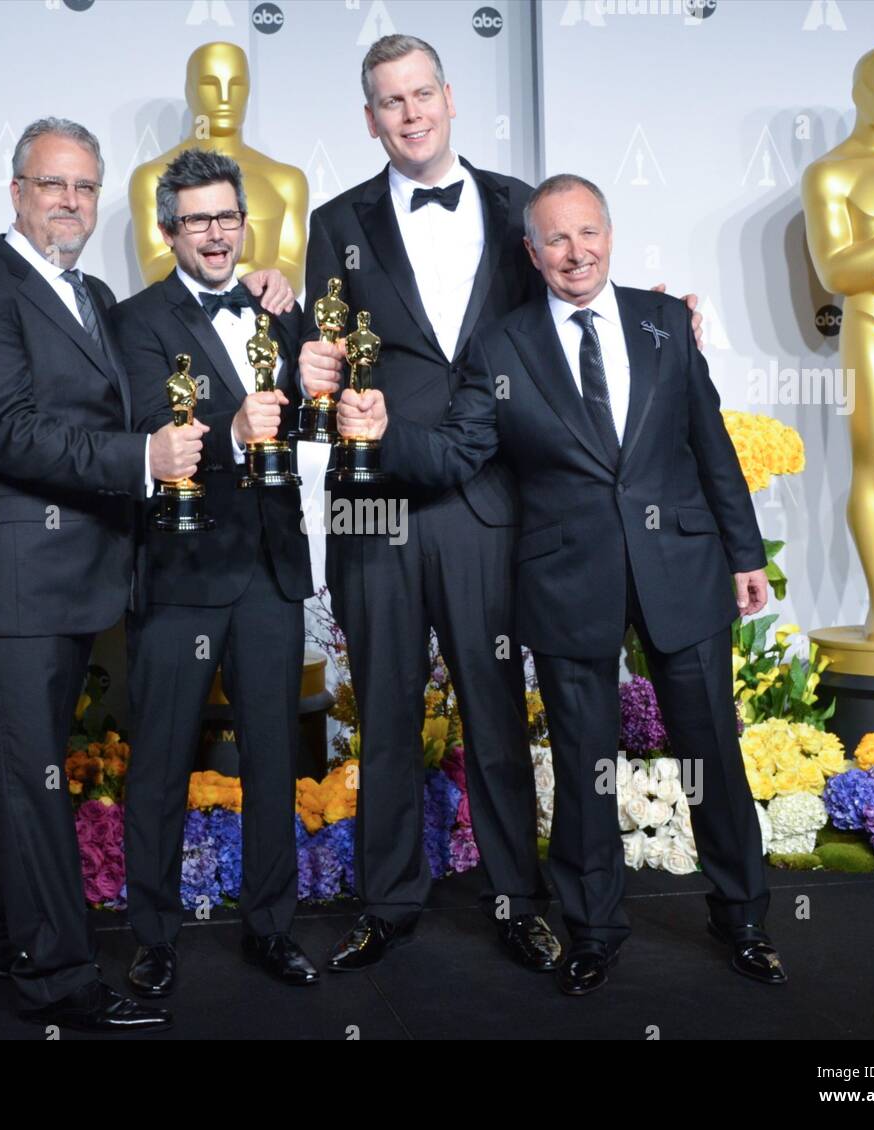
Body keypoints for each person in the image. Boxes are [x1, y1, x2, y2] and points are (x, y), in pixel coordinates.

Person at [300, 34, 702, 973]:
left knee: (495, 711)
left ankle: (519, 896)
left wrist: (665, 315)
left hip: (492, 497)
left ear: (447, 96)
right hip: (377, 505)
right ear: (370, 120)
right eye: (389, 102)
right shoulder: (334, 220)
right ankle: (388, 900)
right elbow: (318, 362)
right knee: (385, 710)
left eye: (420, 94)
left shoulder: (522, 206)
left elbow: (578, 312)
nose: (409, 114)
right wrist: (308, 377)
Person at [337, 174, 787, 996]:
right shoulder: (502, 346)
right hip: (567, 578)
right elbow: (457, 453)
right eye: (556, 240)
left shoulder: (664, 324)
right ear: (531, 253)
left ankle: (744, 918)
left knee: (711, 751)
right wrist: (382, 434)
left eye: (588, 234)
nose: (575, 253)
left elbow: (710, 443)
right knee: (585, 763)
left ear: (610, 236)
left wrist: (744, 553)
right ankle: (595, 928)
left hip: (680, 569)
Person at [0, 117, 201, 1031]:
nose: (72, 202)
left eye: (86, 187)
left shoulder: (84, 293)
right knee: (29, 774)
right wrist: (141, 459)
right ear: (17, 193)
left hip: (67, 580)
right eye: (54, 186)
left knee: (17, 763)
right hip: (14, 586)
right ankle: (58, 977)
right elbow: (3, 431)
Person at [111, 149, 318, 997]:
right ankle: (153, 937)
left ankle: (271, 928)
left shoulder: (274, 306)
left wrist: (302, 325)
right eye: (197, 220)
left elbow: (307, 408)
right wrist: (234, 429)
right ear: (167, 232)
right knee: (159, 761)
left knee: (274, 759)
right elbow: (154, 426)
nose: (215, 233)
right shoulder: (134, 321)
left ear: (244, 220)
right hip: (183, 571)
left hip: (270, 568)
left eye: (226, 216)